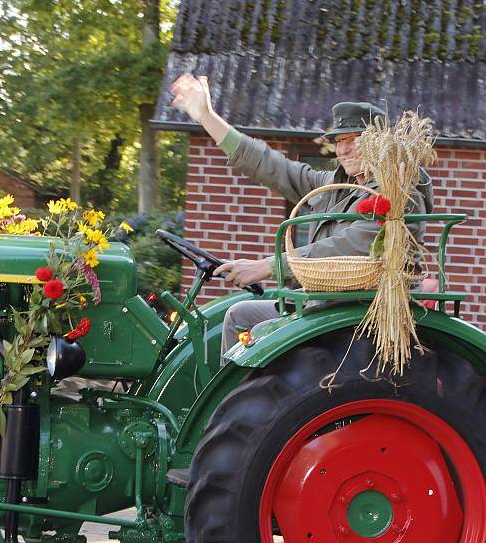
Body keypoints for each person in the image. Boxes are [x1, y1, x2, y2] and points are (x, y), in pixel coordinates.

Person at [168, 73, 434, 354]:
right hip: (326, 304)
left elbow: (352, 246)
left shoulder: (400, 194)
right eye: (339, 140)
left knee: (260, 334)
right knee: (238, 315)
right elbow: (274, 168)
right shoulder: (335, 187)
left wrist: (270, 266)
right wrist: (207, 117)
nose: (344, 149)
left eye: (354, 139)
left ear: (379, 142)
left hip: (361, 309)